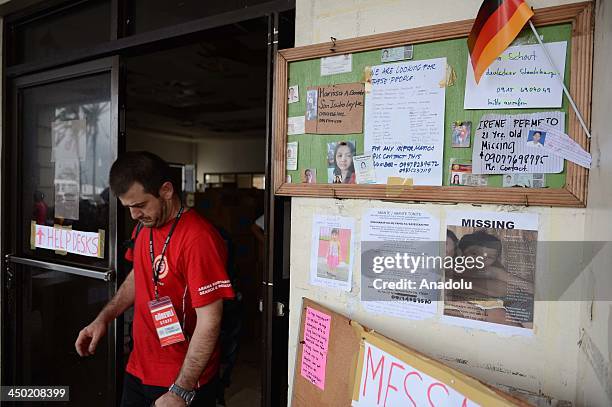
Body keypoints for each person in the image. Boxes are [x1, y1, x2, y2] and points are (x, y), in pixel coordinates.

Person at [75, 152, 234, 407]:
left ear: (167, 190)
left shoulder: (198, 239)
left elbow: (210, 321)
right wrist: (103, 318)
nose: (134, 215)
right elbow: (139, 275)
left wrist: (181, 390)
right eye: (128, 207)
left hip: (181, 379)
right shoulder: (145, 226)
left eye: (140, 205)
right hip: (139, 367)